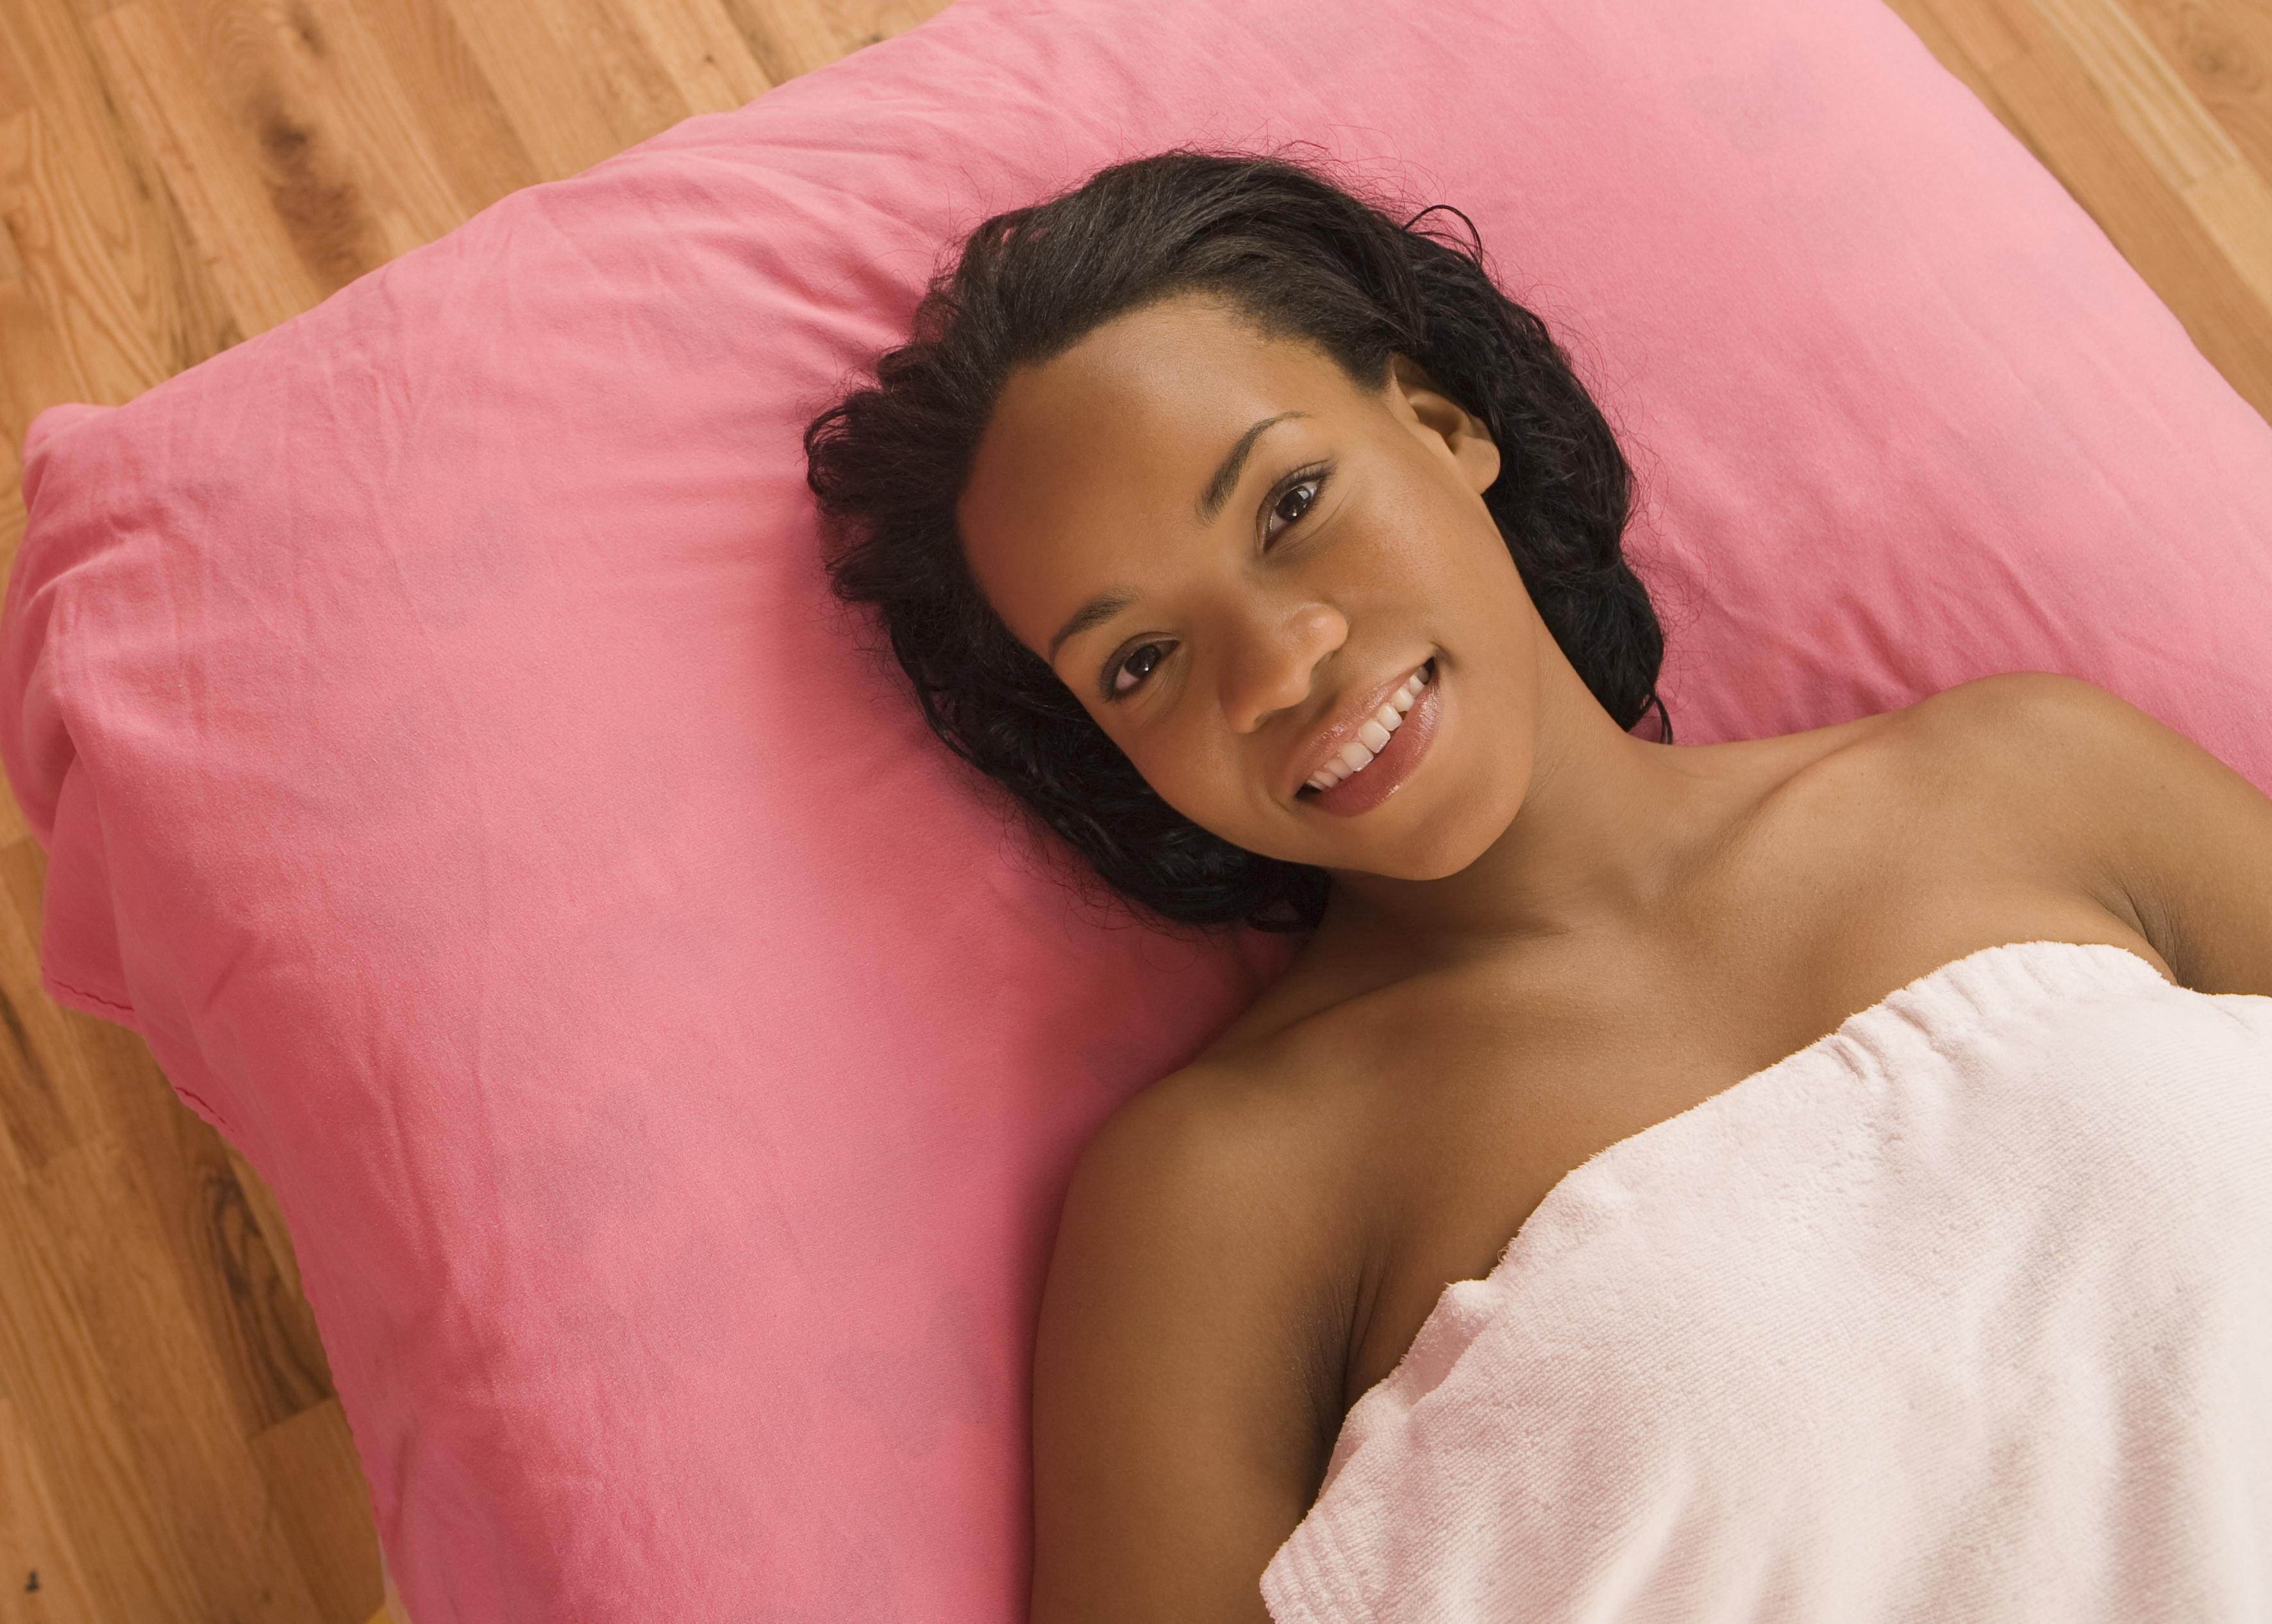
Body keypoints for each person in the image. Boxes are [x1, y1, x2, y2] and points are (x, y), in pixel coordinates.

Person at [797, 150, 2266, 1623]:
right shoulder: (1228, 1195)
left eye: (1290, 501)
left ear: (1443, 425)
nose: (1276, 664)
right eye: (1139, 661)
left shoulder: (2037, 778)